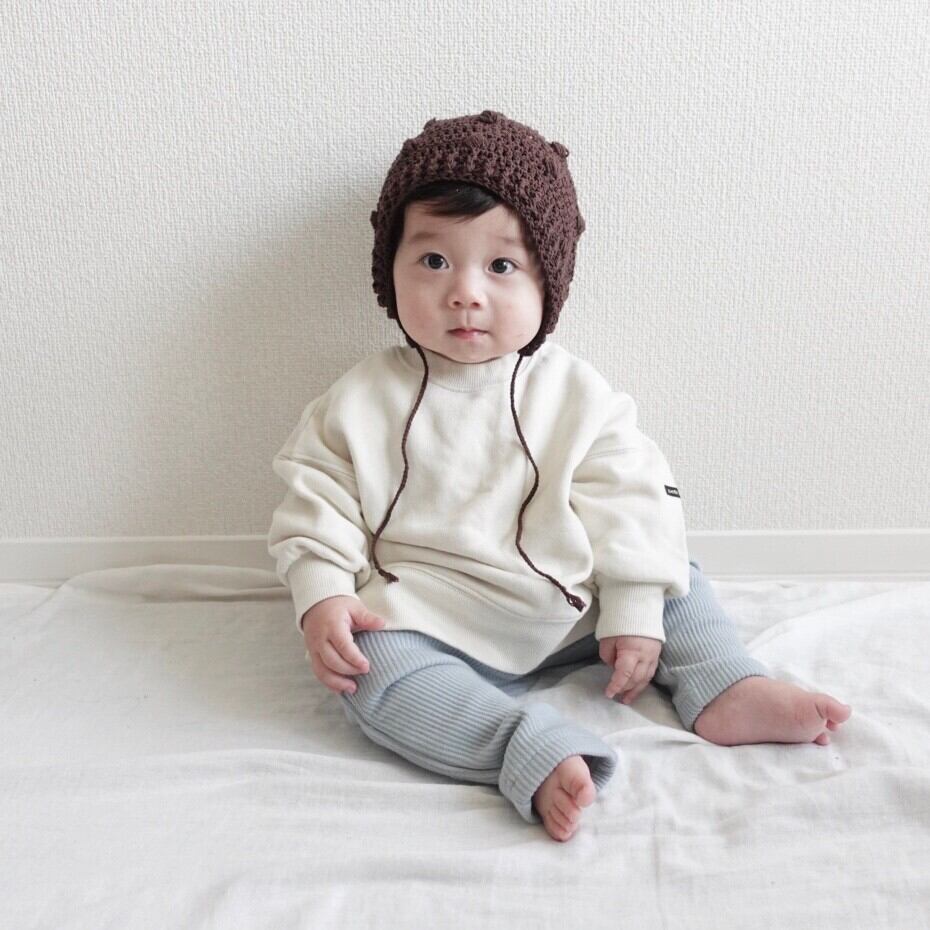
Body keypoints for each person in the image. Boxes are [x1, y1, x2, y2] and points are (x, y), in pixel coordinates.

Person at [267, 111, 851, 843]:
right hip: (430, 616)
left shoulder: (575, 394)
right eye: (434, 261)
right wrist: (322, 594)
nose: (465, 293)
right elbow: (316, 503)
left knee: (673, 572)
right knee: (367, 671)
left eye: (500, 266)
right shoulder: (358, 400)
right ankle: (521, 743)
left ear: (550, 279)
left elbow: (633, 498)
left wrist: (632, 604)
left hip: (574, 606)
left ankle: (723, 681)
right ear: (389, 270)